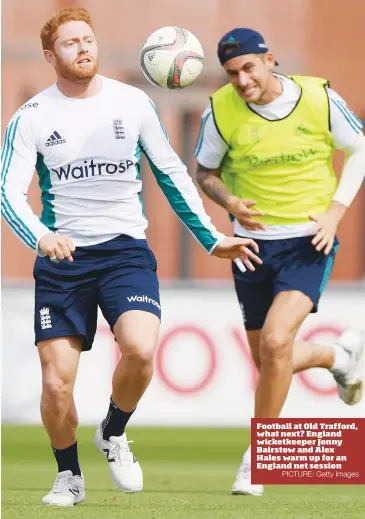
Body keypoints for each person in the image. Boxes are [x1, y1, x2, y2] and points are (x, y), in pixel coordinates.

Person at [1, 11, 263, 507]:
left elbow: (170, 173)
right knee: (57, 384)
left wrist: (212, 239)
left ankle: (113, 431)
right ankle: (69, 476)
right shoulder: (32, 116)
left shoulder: (132, 102)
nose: (82, 48)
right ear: (49, 56)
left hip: (125, 251)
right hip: (64, 257)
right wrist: (41, 236)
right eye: (70, 43)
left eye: (88, 39)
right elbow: (8, 194)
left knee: (141, 350)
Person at [194, 27, 365, 497]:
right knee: (270, 359)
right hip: (250, 248)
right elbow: (204, 172)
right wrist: (229, 200)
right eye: (231, 73)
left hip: (308, 241)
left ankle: (258, 461)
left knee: (274, 342)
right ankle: (339, 356)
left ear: (269, 60)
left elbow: (360, 148)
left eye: (248, 67)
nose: (241, 80)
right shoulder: (220, 110)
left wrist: (336, 212)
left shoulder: (317, 97)